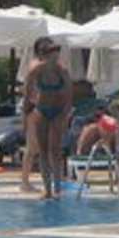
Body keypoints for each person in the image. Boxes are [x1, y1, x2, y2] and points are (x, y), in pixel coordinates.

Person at [21, 37, 72, 200]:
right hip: (41, 111)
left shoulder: (62, 71)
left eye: (57, 52)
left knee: (55, 151)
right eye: (52, 52)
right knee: (42, 151)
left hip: (57, 112)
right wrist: (25, 115)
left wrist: (64, 116)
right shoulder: (36, 70)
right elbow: (26, 92)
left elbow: (69, 97)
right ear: (45, 55)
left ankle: (57, 188)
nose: (56, 55)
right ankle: (47, 189)